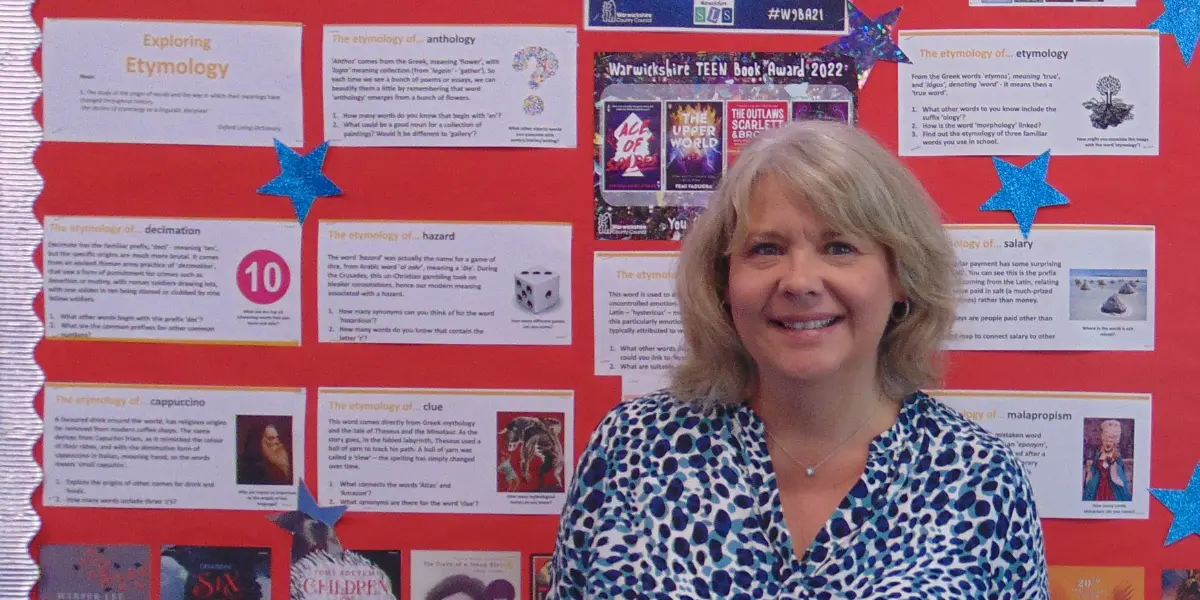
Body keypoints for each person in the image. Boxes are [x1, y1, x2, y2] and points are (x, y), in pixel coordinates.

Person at [549, 121, 1049, 598]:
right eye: (766, 249)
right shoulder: (632, 450)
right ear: (723, 282)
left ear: (902, 278)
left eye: (839, 247)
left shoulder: (979, 478)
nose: (800, 281)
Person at [1083, 419, 1132, 502]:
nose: (1108, 443)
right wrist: (1089, 480)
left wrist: (1113, 463)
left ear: (1114, 442)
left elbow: (1121, 472)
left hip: (1113, 486)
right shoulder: (1098, 455)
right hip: (1097, 485)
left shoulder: (1116, 456)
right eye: (1106, 440)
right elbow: (1093, 469)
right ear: (1103, 440)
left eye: (1111, 441)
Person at [237, 420, 293, 486]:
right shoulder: (251, 471)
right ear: (257, 442)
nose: (277, 442)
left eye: (278, 438)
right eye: (271, 438)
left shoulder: (284, 461)